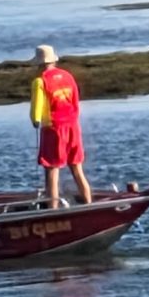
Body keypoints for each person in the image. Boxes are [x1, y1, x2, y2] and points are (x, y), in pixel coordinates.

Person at [30, 44, 92, 209]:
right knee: (76, 166)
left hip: (54, 127)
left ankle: (53, 207)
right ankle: (89, 203)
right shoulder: (68, 76)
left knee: (51, 169)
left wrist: (35, 120)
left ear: (39, 64)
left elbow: (37, 107)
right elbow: (75, 100)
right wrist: (73, 118)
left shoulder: (40, 81)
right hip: (72, 125)